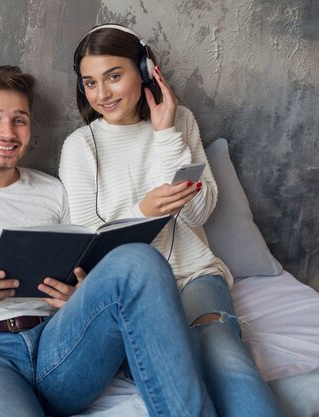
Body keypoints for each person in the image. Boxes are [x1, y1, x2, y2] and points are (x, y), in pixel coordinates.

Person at [0, 65, 219, 417]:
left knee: (139, 259)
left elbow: (81, 260)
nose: (8, 132)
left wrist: (76, 296)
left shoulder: (53, 192)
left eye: (19, 120)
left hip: (56, 347)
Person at [60, 23, 283, 417]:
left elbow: (199, 211)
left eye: (114, 76)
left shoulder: (181, 122)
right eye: (90, 83)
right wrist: (144, 213)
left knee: (223, 352)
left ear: (145, 71)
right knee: (180, 361)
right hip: (134, 290)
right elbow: (88, 245)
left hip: (195, 274)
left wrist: (165, 134)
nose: (102, 94)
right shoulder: (80, 147)